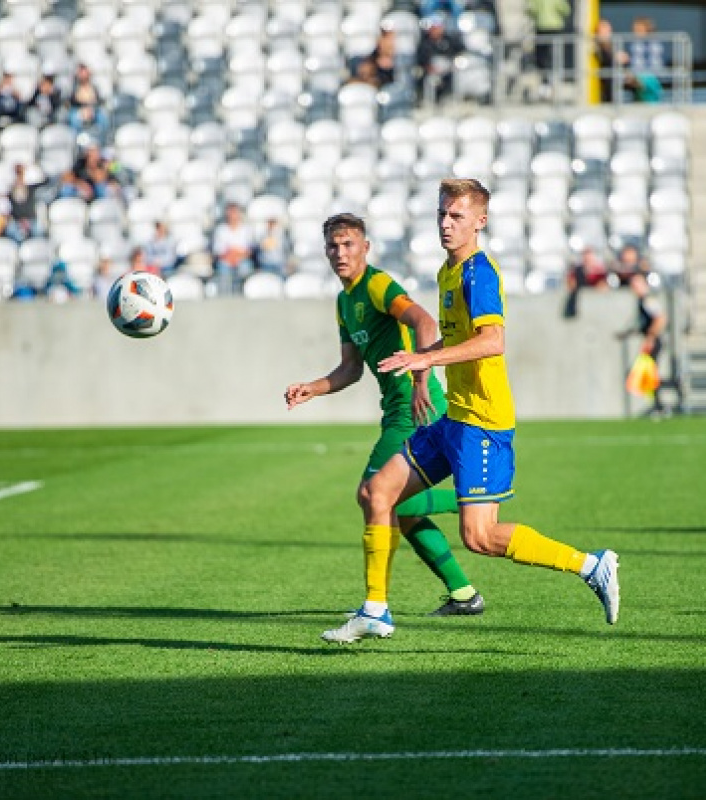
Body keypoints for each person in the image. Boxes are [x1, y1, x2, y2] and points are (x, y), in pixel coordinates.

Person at [321, 179, 620, 644]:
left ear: (480, 221)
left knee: (480, 538)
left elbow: (493, 341)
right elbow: (458, 341)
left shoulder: (478, 273)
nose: (445, 223)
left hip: (482, 421)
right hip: (452, 419)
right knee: (377, 493)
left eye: (456, 216)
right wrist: (424, 359)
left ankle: (589, 565)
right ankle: (375, 611)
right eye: (442, 214)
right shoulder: (447, 271)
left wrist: (425, 359)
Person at [286, 213, 484, 617]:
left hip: (416, 407)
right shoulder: (345, 302)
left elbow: (425, 322)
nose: (340, 253)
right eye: (333, 246)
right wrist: (312, 387)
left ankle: (469, 502)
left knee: (373, 493)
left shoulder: (376, 285)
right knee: (396, 506)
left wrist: (418, 379)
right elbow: (350, 369)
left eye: (348, 244)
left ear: (365, 248)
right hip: (396, 411)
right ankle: (463, 592)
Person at [619, 272, 667, 417]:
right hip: (649, 340)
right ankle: (656, 405)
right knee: (648, 375)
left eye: (636, 284)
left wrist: (650, 338)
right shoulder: (642, 301)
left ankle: (659, 406)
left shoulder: (648, 300)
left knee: (649, 375)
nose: (634, 288)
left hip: (652, 342)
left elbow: (660, 318)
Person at [416, 14, 463, 103]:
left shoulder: (449, 40)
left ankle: (453, 100)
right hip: (431, 72)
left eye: (438, 27)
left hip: (448, 71)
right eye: (433, 28)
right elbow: (421, 60)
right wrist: (430, 68)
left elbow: (458, 52)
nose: (436, 30)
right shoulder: (425, 43)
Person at [212, 203, 256, 294]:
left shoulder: (246, 229)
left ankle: (242, 295)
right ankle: (224, 295)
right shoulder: (221, 230)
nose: (232, 216)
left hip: (242, 259)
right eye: (230, 213)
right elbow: (218, 250)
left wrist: (237, 255)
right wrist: (231, 255)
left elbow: (249, 250)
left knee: (245, 268)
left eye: (234, 213)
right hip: (226, 260)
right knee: (223, 267)